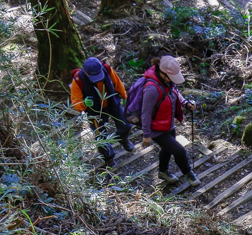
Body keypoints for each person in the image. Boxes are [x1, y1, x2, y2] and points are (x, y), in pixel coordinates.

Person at [126, 54, 200, 186]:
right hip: (155, 128)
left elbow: (175, 92)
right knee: (180, 151)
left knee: (167, 149)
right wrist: (146, 135)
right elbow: (146, 113)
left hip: (167, 123)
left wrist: (185, 103)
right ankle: (188, 174)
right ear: (163, 73)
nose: (173, 80)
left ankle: (163, 171)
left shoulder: (167, 81)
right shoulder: (151, 89)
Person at [70, 56, 133, 167]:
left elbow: (117, 83)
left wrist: (124, 96)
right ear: (86, 73)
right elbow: (75, 103)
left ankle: (123, 139)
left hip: (112, 103)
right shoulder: (78, 80)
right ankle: (108, 158)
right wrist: (84, 104)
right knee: (100, 136)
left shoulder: (106, 69)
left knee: (126, 125)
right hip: (94, 111)